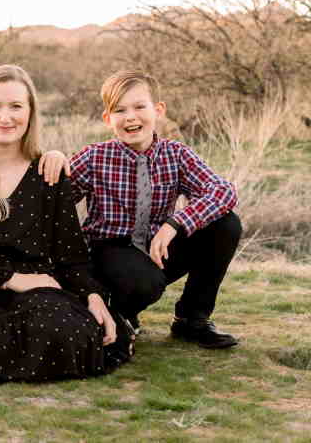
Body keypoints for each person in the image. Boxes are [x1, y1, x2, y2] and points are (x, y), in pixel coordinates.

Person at [0, 64, 133, 386]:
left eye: (16, 106)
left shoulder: (47, 172)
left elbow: (71, 254)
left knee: (66, 330)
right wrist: (10, 279)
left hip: (41, 286)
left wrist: (93, 296)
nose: (5, 117)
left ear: (31, 112)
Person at [68, 70, 242, 348]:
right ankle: (120, 311)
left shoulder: (176, 154)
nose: (131, 117)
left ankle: (191, 319)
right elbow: (52, 203)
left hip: (158, 246)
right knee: (143, 282)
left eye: (140, 107)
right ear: (107, 119)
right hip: (111, 251)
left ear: (158, 110)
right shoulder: (94, 158)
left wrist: (175, 224)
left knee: (227, 224)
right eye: (120, 110)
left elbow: (223, 191)